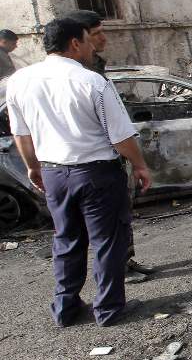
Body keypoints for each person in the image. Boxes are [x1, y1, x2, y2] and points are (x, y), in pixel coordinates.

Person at [6, 17, 152, 327]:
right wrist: (139, 164)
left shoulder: (20, 81)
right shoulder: (91, 81)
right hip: (97, 174)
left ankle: (65, 308)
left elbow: (21, 133)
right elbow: (120, 136)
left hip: (54, 173)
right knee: (107, 241)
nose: (91, 47)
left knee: (66, 240)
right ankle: (108, 309)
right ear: (75, 43)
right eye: (88, 40)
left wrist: (33, 167)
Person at [67, 9, 155, 282]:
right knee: (103, 227)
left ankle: (125, 261)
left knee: (120, 216)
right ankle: (114, 279)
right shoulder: (80, 75)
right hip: (93, 162)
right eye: (96, 34)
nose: (103, 38)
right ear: (78, 40)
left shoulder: (95, 66)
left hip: (108, 159)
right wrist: (138, 163)